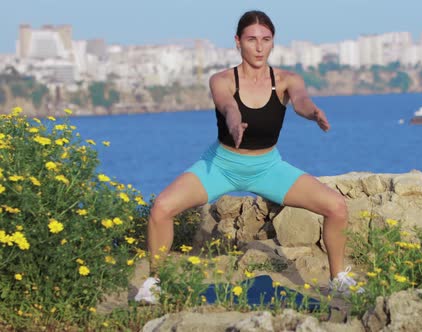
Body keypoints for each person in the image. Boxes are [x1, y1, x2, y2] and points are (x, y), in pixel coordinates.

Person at [134, 10, 362, 304]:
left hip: (267, 168)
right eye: (251, 39)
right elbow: (227, 105)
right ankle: (154, 282)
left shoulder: (286, 79)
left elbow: (301, 100)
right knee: (162, 207)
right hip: (221, 165)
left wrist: (312, 112)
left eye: (265, 40)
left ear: (273, 43)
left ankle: (338, 279)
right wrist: (233, 121)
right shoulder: (221, 79)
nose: (258, 46)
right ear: (237, 42)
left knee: (336, 207)